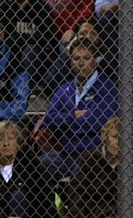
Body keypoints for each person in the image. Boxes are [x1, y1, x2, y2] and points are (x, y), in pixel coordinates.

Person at [40, 38, 118, 180]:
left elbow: (95, 123)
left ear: (95, 61)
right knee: (37, 166)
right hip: (66, 154)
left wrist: (64, 123)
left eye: (86, 58)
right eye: (76, 58)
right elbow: (49, 119)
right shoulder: (65, 88)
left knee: (83, 172)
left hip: (92, 155)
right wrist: (74, 115)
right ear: (70, 62)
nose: (81, 63)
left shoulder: (106, 87)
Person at [0, 0, 56, 93]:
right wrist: (8, 7)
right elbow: (2, 38)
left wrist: (17, 38)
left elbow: (46, 38)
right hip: (12, 55)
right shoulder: (5, 8)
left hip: (38, 58)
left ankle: (27, 88)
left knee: (30, 49)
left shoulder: (41, 8)